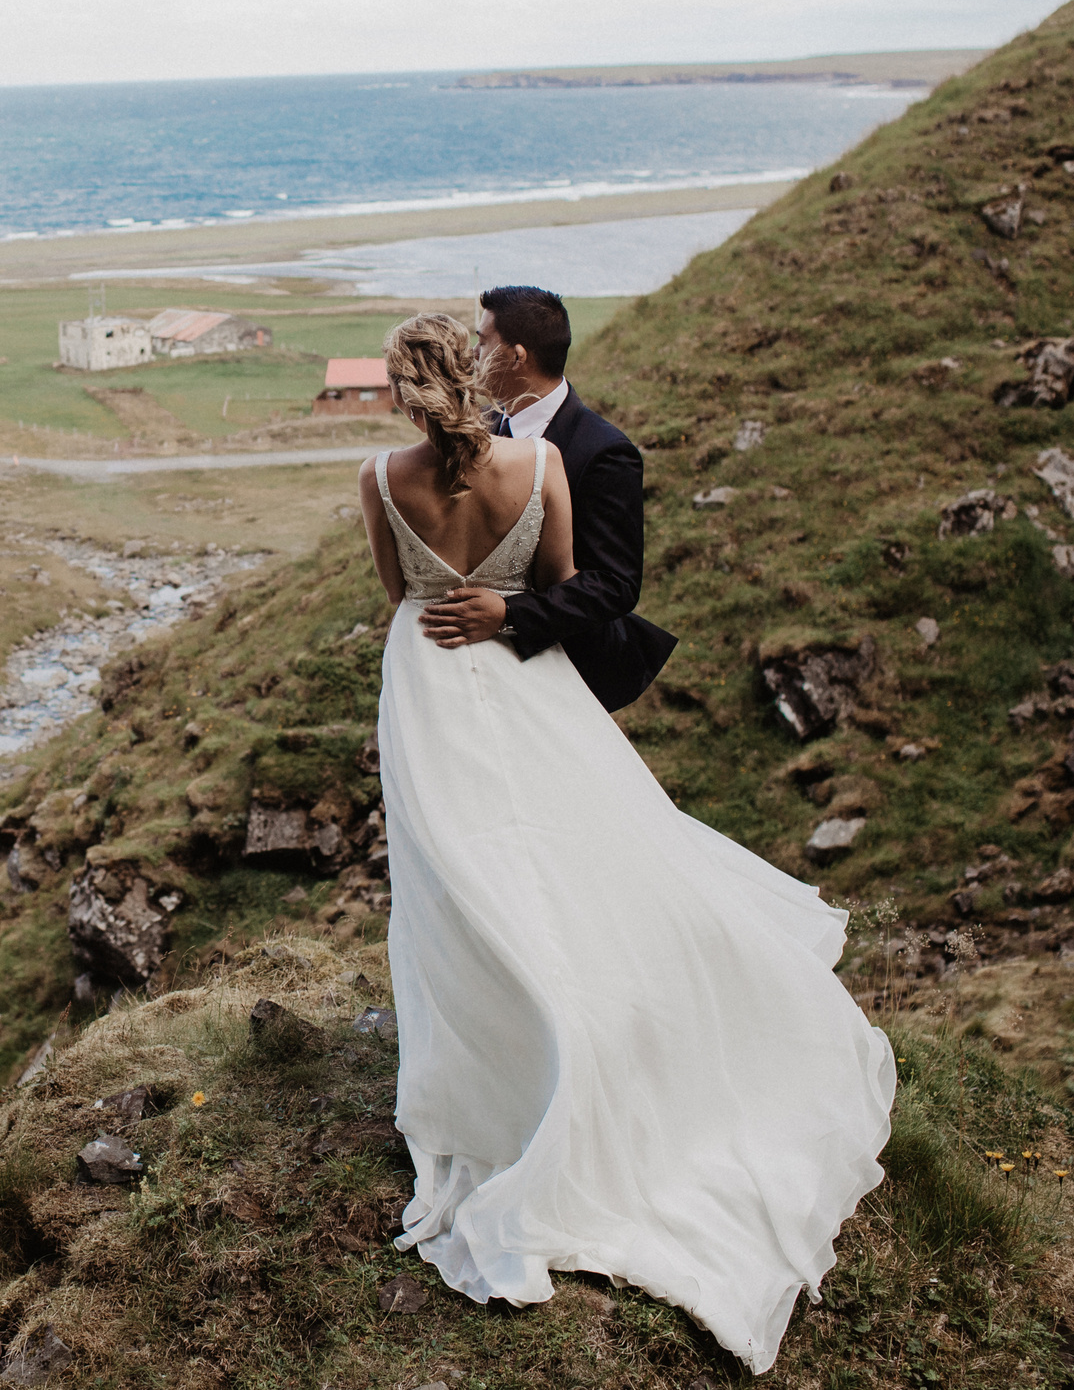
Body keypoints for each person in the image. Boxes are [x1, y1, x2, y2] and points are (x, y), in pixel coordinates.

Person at [356, 312, 896, 1376]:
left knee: (456, 875)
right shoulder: (544, 461)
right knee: (571, 851)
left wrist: (451, 599)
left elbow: (394, 596)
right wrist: (503, 605)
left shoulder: (380, 479)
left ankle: (502, 1049)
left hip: (426, 678)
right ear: (472, 376)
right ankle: (584, 1017)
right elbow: (564, 586)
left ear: (398, 391)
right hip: (525, 680)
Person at [415, 285, 675, 713]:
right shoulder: (479, 429)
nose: (473, 357)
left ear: (517, 356)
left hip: (564, 664)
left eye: (482, 342)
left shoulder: (604, 451)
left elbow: (615, 585)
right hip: (472, 664)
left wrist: (509, 614)